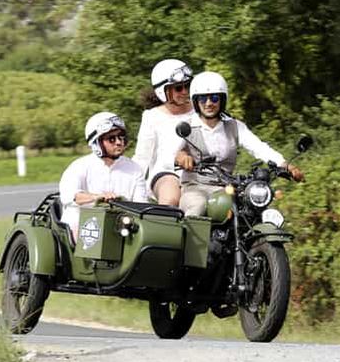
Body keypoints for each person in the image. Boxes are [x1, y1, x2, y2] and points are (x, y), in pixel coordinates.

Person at [165, 71, 304, 217]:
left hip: (226, 188)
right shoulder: (188, 127)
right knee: (198, 207)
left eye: (214, 98)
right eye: (203, 99)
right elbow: (168, 154)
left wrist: (285, 165)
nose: (208, 103)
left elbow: (259, 147)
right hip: (196, 188)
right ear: (196, 101)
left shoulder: (234, 126)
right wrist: (180, 156)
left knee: (250, 212)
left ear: (222, 100)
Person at [59, 111, 148, 238]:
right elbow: (69, 196)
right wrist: (97, 197)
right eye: (112, 139)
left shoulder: (134, 169)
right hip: (82, 224)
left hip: (120, 226)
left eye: (121, 137)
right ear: (97, 143)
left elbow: (141, 205)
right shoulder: (79, 166)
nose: (119, 142)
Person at [132, 58, 195, 206]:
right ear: (163, 90)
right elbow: (142, 157)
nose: (185, 91)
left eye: (187, 85)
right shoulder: (152, 116)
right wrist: (130, 187)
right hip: (167, 173)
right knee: (171, 198)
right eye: (178, 88)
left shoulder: (201, 110)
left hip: (199, 174)